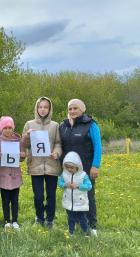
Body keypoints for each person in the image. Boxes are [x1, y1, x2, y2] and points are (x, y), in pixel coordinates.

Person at [59, 99, 102, 237]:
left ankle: (92, 224)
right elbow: (61, 146)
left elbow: (98, 147)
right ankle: (74, 221)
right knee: (70, 193)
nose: (72, 111)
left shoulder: (91, 125)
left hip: (86, 167)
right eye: (70, 109)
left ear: (82, 109)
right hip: (68, 169)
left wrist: (95, 166)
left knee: (88, 195)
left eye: (75, 108)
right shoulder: (63, 126)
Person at [22, 97, 62, 228]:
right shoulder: (29, 124)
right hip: (35, 166)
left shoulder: (55, 125)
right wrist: (27, 136)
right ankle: (39, 217)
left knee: (51, 195)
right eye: (40, 107)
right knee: (38, 196)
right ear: (36, 108)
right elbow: (24, 144)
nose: (43, 109)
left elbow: (58, 143)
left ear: (50, 109)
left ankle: (50, 219)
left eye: (46, 107)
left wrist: (57, 152)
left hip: (52, 165)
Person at [0, 116, 26, 230]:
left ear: (13, 128)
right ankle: (7, 221)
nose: (7, 130)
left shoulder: (19, 141)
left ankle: (15, 220)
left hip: (15, 175)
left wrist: (22, 156)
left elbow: (21, 158)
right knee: (5, 200)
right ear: (2, 129)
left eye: (10, 127)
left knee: (15, 200)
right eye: (5, 128)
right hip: (3, 175)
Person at [58, 151, 92, 236]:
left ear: (78, 166)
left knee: (82, 218)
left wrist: (78, 186)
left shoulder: (83, 175)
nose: (69, 169)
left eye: (72, 168)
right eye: (67, 167)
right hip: (69, 201)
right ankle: (71, 232)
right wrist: (65, 185)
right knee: (70, 218)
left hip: (80, 202)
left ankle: (86, 233)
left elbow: (89, 186)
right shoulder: (64, 174)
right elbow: (60, 183)